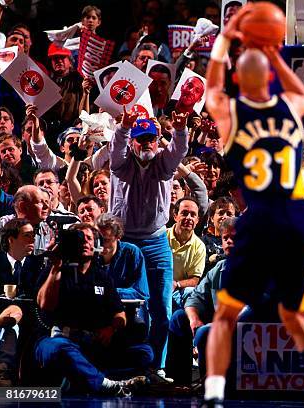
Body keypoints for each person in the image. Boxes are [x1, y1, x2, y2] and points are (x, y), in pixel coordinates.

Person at [203, 7, 304, 407]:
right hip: (300, 219)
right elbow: (300, 90)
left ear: (236, 80)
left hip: (260, 218)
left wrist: (228, 38)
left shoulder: (229, 113)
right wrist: (272, 50)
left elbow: (213, 89)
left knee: (225, 315)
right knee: (294, 317)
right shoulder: (292, 108)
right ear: (269, 78)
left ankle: (213, 394)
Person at [109, 110, 189, 381]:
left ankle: (157, 367)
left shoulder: (165, 165)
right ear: (132, 142)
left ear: (158, 141)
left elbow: (178, 150)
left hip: (156, 242)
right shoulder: (120, 163)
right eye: (140, 139)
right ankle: (121, 364)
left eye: (151, 139)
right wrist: (123, 127)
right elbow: (116, 148)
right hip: (125, 243)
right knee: (120, 303)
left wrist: (179, 130)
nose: (146, 144)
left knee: (162, 309)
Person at [35, 223, 152, 395]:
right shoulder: (54, 271)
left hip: (93, 343)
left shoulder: (101, 276)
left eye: (88, 238)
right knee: (58, 349)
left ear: (95, 245)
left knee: (144, 352)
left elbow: (119, 314)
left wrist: (111, 328)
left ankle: (84, 379)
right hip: (61, 339)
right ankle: (107, 385)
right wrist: (56, 267)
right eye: (78, 239)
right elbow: (46, 305)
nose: (84, 242)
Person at [166, 216, 236, 385]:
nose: (228, 242)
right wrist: (194, 318)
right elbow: (195, 298)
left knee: (205, 332)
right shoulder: (219, 269)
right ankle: (180, 383)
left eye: (234, 237)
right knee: (179, 318)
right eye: (225, 238)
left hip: (245, 325)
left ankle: (208, 386)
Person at [168, 197, 206, 309]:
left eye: (193, 215)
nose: (188, 218)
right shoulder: (161, 238)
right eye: (184, 213)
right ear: (175, 216)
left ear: (197, 220)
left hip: (178, 290)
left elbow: (195, 280)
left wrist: (176, 284)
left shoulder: (199, 247)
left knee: (191, 292)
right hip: (157, 287)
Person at [0, 185, 51, 253]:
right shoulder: (5, 224)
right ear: (23, 206)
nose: (46, 206)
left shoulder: (49, 228)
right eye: (40, 202)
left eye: (46, 202)